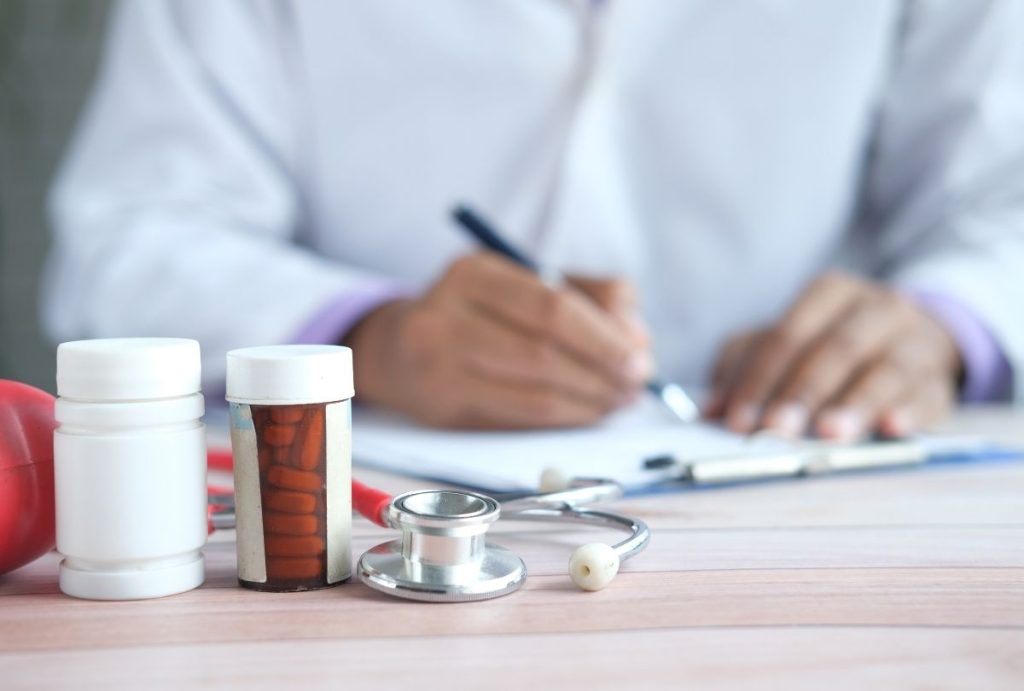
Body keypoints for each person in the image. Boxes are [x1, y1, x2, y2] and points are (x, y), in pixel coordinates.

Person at [44, 1, 1023, 439]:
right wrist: (373, 343)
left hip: (814, 502)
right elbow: (131, 235)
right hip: (366, 529)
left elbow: (1003, 203)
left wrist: (947, 321)